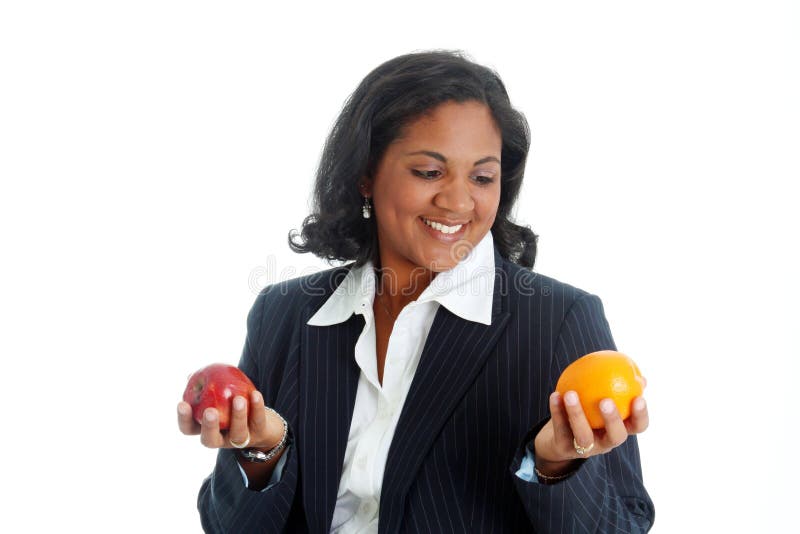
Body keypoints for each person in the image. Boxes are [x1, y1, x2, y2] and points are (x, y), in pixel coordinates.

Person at [177, 50, 655, 533]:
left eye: (483, 177)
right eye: (429, 172)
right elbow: (225, 525)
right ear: (366, 173)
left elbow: (624, 525)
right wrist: (265, 451)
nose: (458, 201)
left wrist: (553, 465)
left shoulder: (558, 319)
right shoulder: (284, 314)